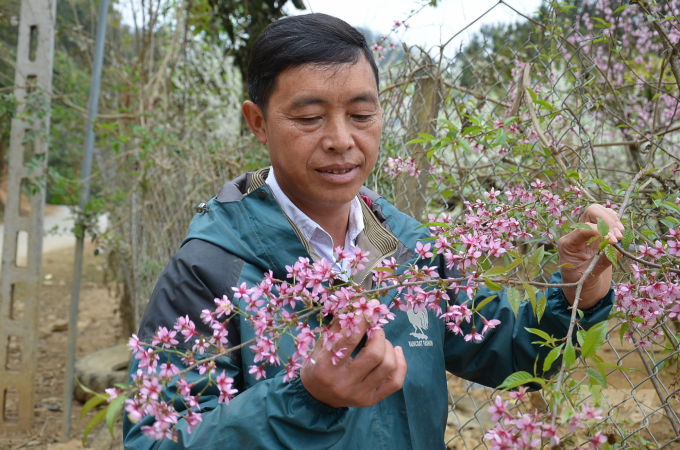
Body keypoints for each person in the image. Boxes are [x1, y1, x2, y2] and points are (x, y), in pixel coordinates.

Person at [123, 13, 620, 449]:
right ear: (258, 122)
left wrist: (581, 292)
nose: (342, 140)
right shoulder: (211, 269)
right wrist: (305, 398)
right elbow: (156, 441)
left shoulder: (407, 250)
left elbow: (516, 353)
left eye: (362, 114)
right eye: (310, 117)